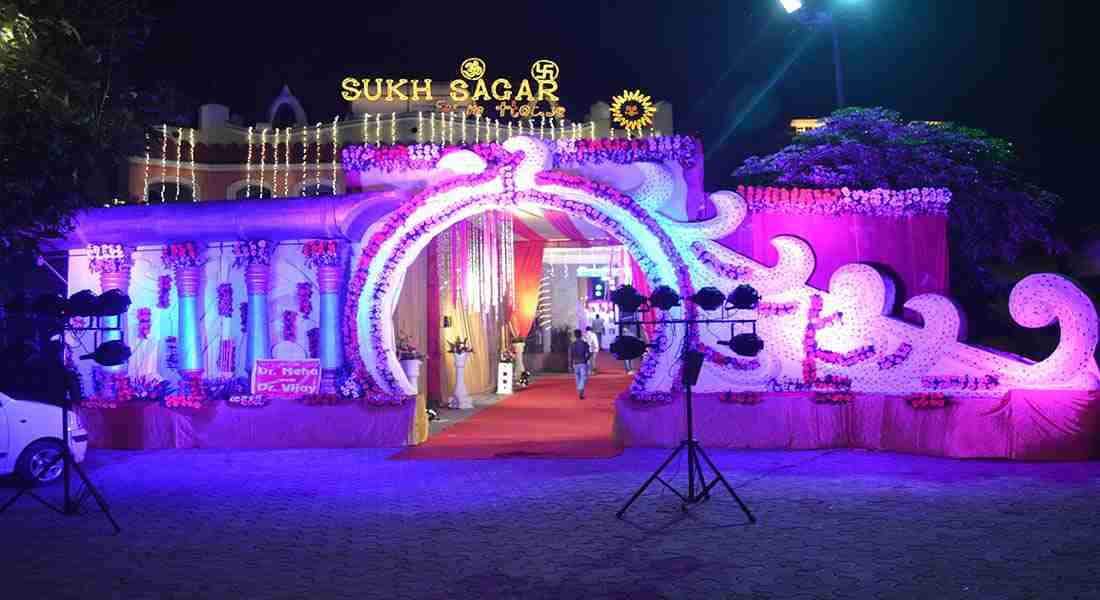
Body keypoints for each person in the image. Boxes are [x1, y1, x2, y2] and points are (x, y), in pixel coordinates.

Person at [568, 328, 591, 399]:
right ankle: (580, 389)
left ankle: (580, 390)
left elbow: (570, 355)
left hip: (575, 363)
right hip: (583, 362)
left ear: (575, 335)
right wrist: (586, 360)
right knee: (584, 377)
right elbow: (589, 353)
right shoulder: (585, 344)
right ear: (581, 335)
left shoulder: (572, 344)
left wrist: (570, 365)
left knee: (577, 377)